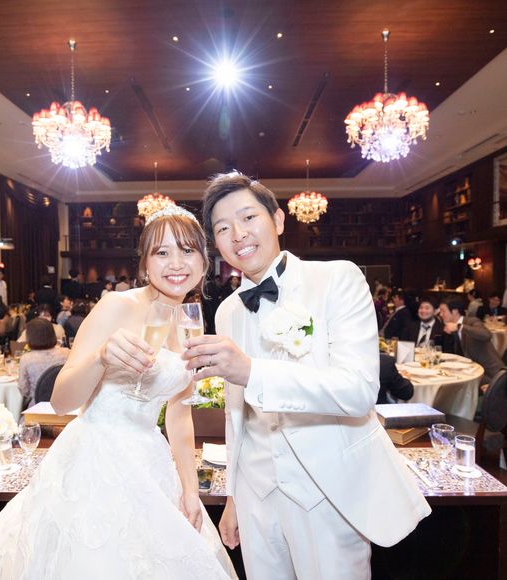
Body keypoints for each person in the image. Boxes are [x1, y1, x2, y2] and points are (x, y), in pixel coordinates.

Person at [0, 206, 236, 579]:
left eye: (188, 250)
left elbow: (179, 413)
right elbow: (62, 400)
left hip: (150, 461)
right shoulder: (117, 305)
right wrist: (101, 357)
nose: (176, 263)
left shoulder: (191, 318)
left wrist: (190, 490)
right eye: (162, 252)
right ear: (145, 263)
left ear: (204, 261)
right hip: (95, 459)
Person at [182, 172, 430, 580]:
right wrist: (235, 499)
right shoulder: (226, 311)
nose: (238, 234)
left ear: (278, 220)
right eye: (223, 228)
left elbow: (358, 391)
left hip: (328, 493)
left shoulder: (337, 280)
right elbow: (235, 415)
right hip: (257, 498)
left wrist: (253, 371)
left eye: (248, 218)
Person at [440, 297, 503, 383]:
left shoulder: (471, 321)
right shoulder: (448, 327)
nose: (441, 314)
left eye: (443, 311)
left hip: (491, 375)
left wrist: (460, 327)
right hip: (471, 373)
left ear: (455, 311)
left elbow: (486, 335)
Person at [18, 319, 69, 408]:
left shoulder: (26, 359)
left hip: (38, 407)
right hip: (66, 405)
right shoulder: (67, 353)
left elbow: (24, 390)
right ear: (52, 334)